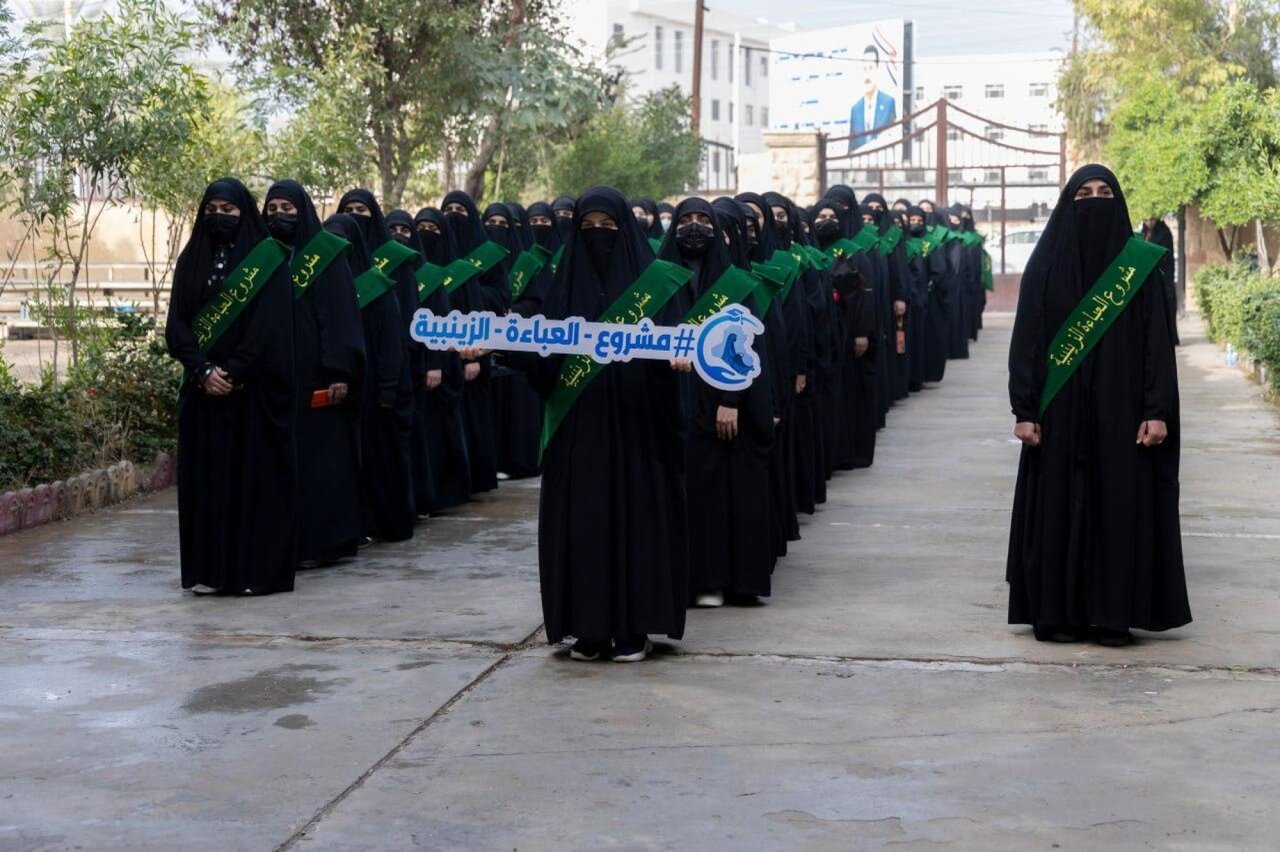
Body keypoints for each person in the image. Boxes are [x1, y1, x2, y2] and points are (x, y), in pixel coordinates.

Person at [1007, 164, 1190, 647]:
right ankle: (1056, 614)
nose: (1094, 199)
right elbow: (1027, 339)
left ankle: (1113, 614)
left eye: (1104, 191)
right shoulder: (1045, 266)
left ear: (1120, 201)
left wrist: (1157, 410)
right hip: (1057, 414)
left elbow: (1156, 344)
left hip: (1123, 412)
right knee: (1059, 505)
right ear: (1069, 202)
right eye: (1084, 192)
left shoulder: (1141, 267)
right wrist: (1024, 410)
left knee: (1117, 507)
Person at [507, 186, 689, 663]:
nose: (598, 236)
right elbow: (541, 362)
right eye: (588, 228)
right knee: (583, 527)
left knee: (635, 524)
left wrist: (674, 366)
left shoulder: (654, 284)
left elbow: (672, 354)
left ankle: (632, 629)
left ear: (625, 231)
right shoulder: (558, 286)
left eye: (608, 228)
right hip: (578, 432)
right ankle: (587, 629)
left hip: (636, 431)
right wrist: (505, 349)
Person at [165, 178, 297, 596]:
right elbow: (177, 325)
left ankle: (251, 573)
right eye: (212, 209)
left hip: (250, 398)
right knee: (208, 487)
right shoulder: (191, 260)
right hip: (204, 398)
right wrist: (202, 371)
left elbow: (269, 329)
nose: (219, 217)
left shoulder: (267, 262)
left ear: (245, 213)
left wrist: (233, 372)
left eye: (229, 210)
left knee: (250, 486)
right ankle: (213, 571)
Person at [662, 197, 776, 606]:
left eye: (701, 220)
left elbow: (746, 347)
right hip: (670, 398)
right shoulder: (658, 280)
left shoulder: (733, 283)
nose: (694, 227)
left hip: (716, 402)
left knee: (712, 491)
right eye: (686, 219)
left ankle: (712, 579)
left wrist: (731, 399)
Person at [263, 180, 365, 567]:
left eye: (287, 209)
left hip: (318, 378)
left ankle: (323, 542)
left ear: (302, 210)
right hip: (275, 377)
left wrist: (339, 370)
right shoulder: (264, 256)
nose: (279, 217)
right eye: (271, 210)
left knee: (322, 464)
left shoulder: (326, 256)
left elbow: (340, 316)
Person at [325, 209, 415, 543]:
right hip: (337, 392)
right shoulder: (324, 286)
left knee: (380, 463)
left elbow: (392, 344)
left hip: (376, 391)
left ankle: (387, 525)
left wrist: (388, 391)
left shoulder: (377, 287)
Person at [440, 190, 508, 495]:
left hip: (477, 348)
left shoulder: (488, 253)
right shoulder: (438, 251)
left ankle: (478, 476)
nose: (454, 214)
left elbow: (502, 296)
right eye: (448, 208)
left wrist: (472, 292)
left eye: (460, 209)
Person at [414, 207, 472, 511]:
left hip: (447, 362)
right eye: (420, 226)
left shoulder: (458, 269)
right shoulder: (411, 270)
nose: (426, 233)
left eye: (432, 228)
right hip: (419, 362)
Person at [847, 44, 897, 152]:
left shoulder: (888, 103)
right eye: (864, 68)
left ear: (877, 69)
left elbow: (893, 140)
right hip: (859, 166)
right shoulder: (855, 109)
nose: (867, 74)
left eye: (870, 68)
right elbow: (851, 148)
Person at [1142, 216, 1180, 346]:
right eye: (1146, 220)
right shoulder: (1143, 233)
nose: (1149, 223)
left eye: (1152, 219)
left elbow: (1163, 256)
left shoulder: (1164, 233)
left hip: (1163, 278)